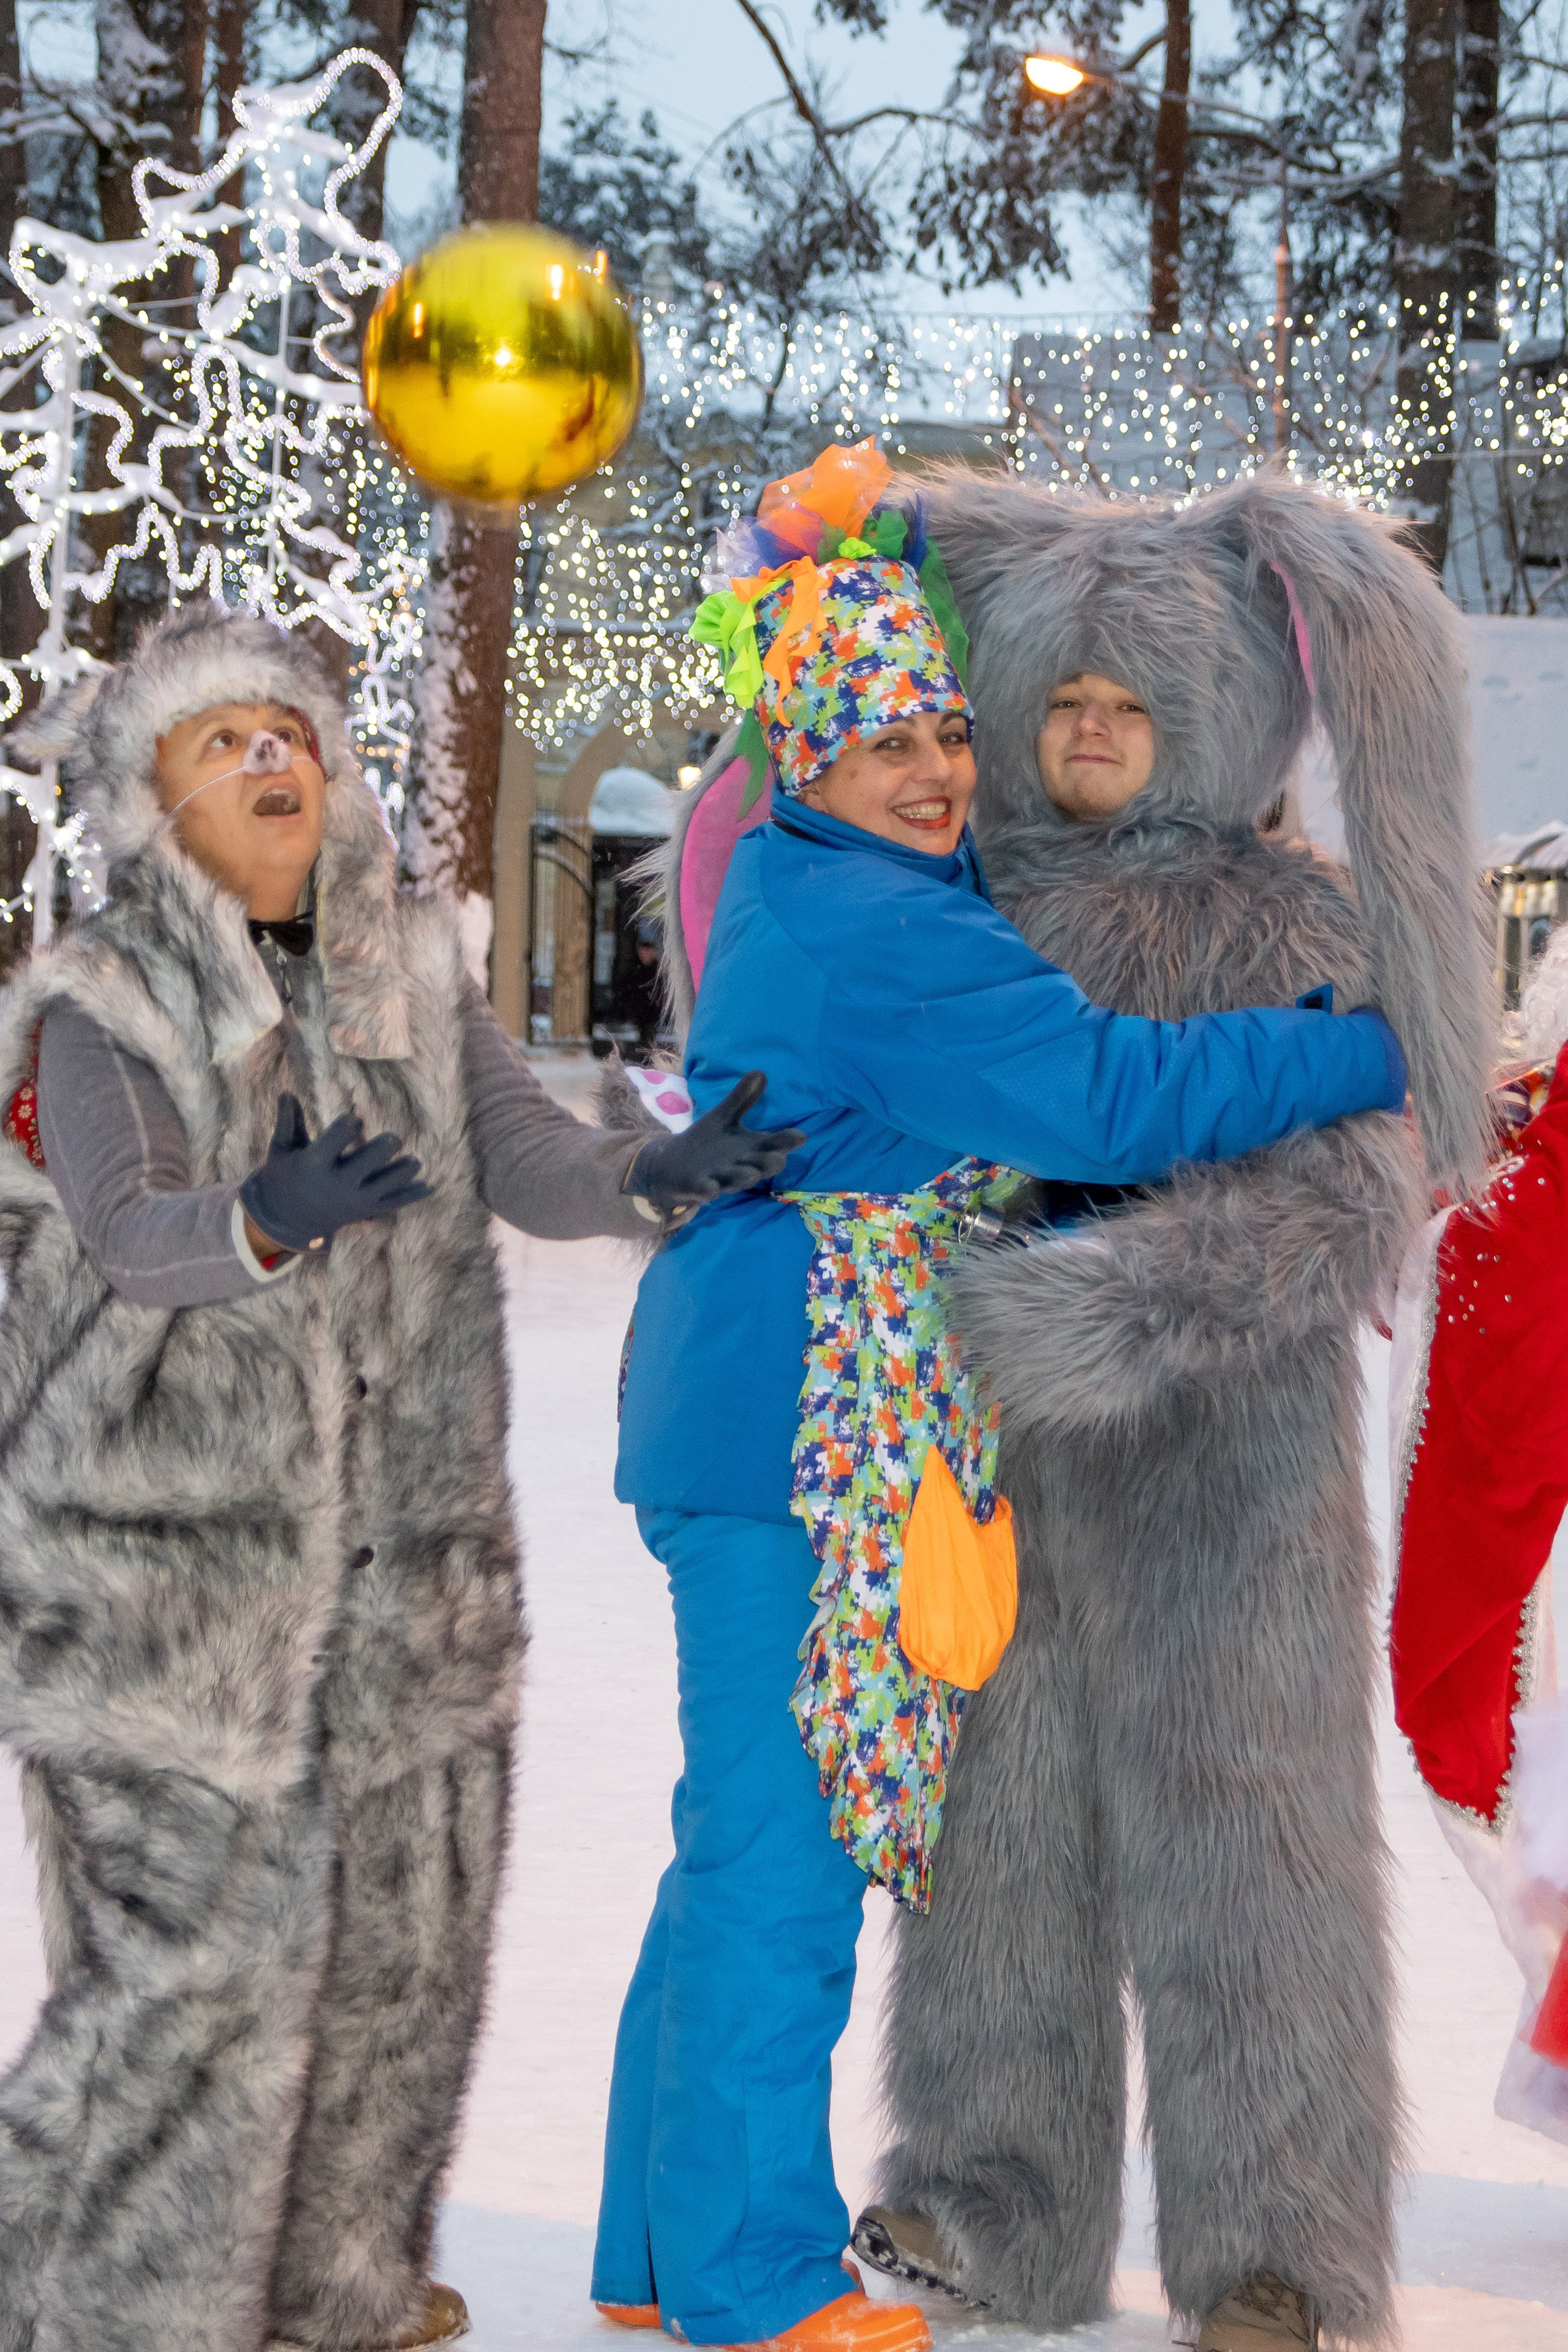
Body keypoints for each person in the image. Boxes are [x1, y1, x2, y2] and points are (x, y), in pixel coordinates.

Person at [594, 440, 1413, 2352]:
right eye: (888, 745)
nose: (942, 770)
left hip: (1024, 1440)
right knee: (812, 1855)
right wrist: (1374, 1045)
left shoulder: (884, 892)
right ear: (801, 762)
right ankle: (761, 2274)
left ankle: (661, 2251)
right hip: (818, 1421)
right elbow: (1110, 1097)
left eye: (944, 735)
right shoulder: (890, 924)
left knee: (765, 1839)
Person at [0, 604, 799, 2352]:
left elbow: (521, 1155)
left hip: (404, 1563)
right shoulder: (101, 1002)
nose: (272, 757)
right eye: (224, 745)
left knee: (391, 1966)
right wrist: (263, 1220)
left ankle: (329, 2285)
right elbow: (132, 1236)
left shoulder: (407, 974)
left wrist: (654, 1169)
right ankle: (90, 2302)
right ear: (153, 805)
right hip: (163, 1585)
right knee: (188, 1985)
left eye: (288, 732)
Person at [843, 471, 1491, 2351]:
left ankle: (1280, 2252)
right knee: (994, 1852)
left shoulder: (1300, 919)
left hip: (1237, 1468)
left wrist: (1115, 1309)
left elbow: (1352, 1191)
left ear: (1228, 708)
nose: (1095, 729)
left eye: (1132, 701)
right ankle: (989, 2203)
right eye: (1060, 699)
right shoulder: (946, 909)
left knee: (1252, 1860)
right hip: (993, 1476)